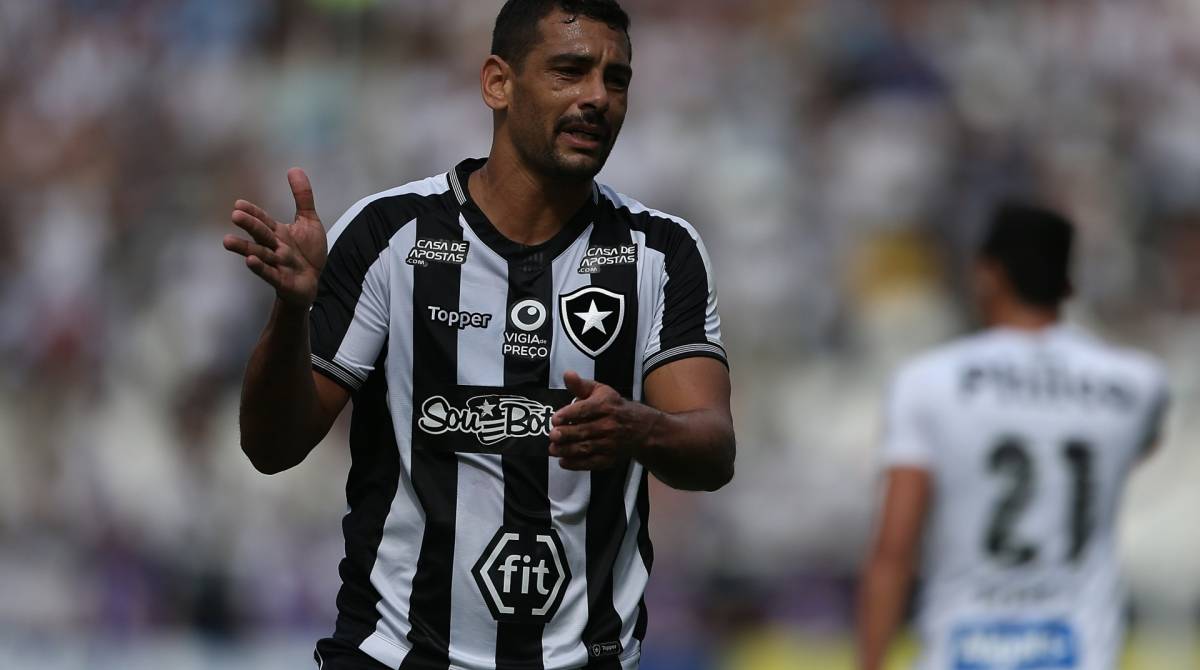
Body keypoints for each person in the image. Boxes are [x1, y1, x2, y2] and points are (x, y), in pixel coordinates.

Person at [222, 1, 735, 668]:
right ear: (498, 82)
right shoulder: (389, 236)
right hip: (394, 657)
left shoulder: (660, 252)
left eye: (616, 79)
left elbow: (713, 448)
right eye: (570, 71)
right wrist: (291, 314)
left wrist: (642, 429)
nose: (597, 98)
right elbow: (270, 446)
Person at [857, 203, 1170, 670]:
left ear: (987, 274)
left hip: (960, 648)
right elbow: (1136, 451)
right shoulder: (1137, 383)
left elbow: (894, 551)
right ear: (1068, 283)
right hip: (1080, 650)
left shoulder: (928, 381)